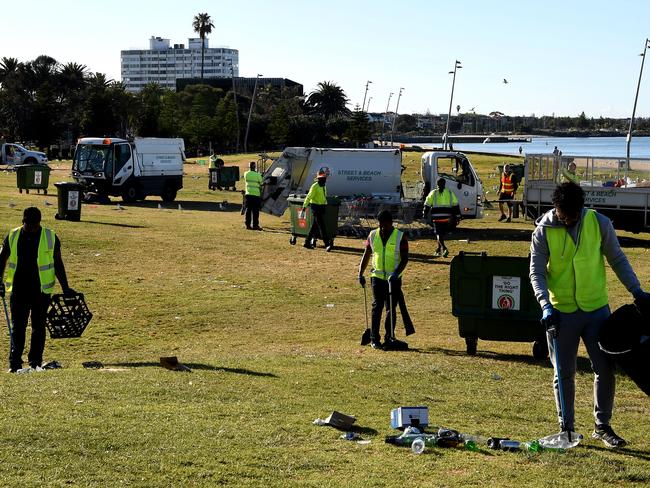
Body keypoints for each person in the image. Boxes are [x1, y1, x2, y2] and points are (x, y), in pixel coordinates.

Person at [529, 183, 650, 448]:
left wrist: (637, 291)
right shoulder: (543, 231)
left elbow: (617, 258)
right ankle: (567, 428)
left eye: (573, 216)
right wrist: (545, 305)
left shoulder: (599, 223)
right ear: (556, 209)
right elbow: (536, 272)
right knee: (564, 372)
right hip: (560, 312)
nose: (569, 221)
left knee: (605, 368)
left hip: (596, 310)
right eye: (564, 216)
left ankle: (602, 426)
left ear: (581, 208)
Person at [0, 207, 75, 372]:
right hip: (19, 290)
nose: (32, 228)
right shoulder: (13, 236)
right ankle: (15, 364)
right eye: (28, 224)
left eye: (34, 225)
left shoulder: (50, 236)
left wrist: (65, 287)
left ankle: (35, 362)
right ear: (23, 221)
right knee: (17, 327)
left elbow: (58, 263)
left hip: (41, 291)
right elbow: (2, 258)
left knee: (38, 327)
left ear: (39, 223)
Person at [358, 210, 409, 349]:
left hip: (393, 279)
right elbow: (367, 254)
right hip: (377, 277)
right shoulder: (373, 235)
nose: (382, 228)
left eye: (385, 225)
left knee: (390, 309)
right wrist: (360, 273)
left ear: (391, 223)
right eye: (380, 225)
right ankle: (374, 338)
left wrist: (396, 273)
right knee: (377, 307)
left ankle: (389, 337)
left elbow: (405, 259)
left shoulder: (400, 236)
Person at [423, 178, 460, 258]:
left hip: (436, 217)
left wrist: (425, 214)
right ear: (445, 184)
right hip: (447, 217)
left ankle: (444, 248)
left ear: (437, 184)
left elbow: (427, 204)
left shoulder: (433, 193)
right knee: (441, 234)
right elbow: (455, 204)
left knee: (438, 234)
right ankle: (438, 250)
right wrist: (457, 216)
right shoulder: (450, 193)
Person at [302, 170, 332, 251]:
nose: (324, 180)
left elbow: (324, 196)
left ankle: (307, 242)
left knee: (314, 226)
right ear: (318, 179)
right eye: (322, 178)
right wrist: (304, 206)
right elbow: (309, 196)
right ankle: (327, 244)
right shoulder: (314, 186)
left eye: (324, 178)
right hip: (315, 207)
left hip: (321, 207)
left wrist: (325, 204)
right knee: (322, 226)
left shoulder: (324, 186)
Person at [243, 161, 263, 230]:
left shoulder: (246, 174)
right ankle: (255, 225)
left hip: (248, 194)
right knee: (255, 211)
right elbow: (261, 182)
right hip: (256, 195)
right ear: (255, 167)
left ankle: (247, 225)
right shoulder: (258, 175)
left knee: (248, 210)